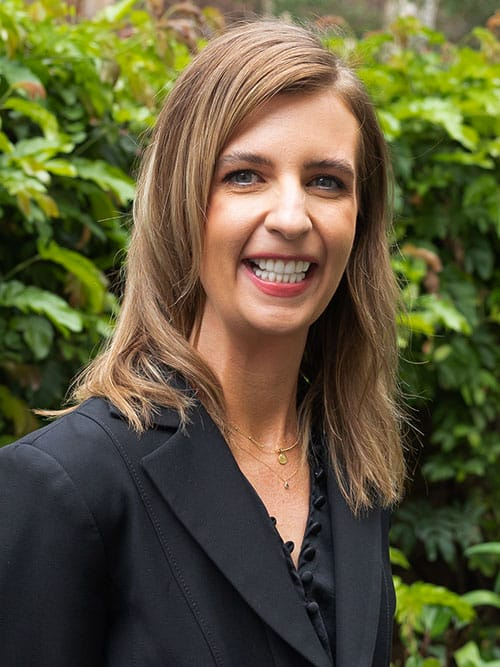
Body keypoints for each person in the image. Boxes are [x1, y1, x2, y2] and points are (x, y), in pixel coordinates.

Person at [0, 19, 405, 667]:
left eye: (327, 181)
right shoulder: (67, 485)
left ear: (360, 221)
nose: (293, 217)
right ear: (181, 203)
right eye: (245, 175)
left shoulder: (360, 483)